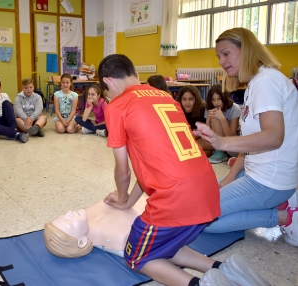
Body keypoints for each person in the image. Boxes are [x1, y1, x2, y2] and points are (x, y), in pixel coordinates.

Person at [95, 54, 270, 286]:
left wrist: (123, 196)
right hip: (207, 191)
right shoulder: (165, 97)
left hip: (176, 199)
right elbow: (155, 164)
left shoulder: (117, 105)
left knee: (136, 257)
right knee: (165, 244)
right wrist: (129, 202)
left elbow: (123, 171)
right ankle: (225, 268)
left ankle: (201, 284)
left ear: (108, 82)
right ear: (135, 74)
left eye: (107, 93)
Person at [193, 28, 298, 248]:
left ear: (247, 50)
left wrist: (222, 142)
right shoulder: (257, 82)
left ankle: (284, 215)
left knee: (201, 220)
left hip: (271, 181)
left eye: (226, 53)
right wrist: (228, 179)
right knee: (210, 195)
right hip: (266, 174)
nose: (221, 61)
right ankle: (282, 202)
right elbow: (251, 143)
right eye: (218, 56)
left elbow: (274, 136)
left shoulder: (265, 82)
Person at [44, 196, 270, 286]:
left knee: (143, 256)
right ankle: (221, 267)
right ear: (81, 242)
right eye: (64, 222)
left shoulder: (90, 219)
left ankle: (201, 282)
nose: (66, 214)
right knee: (154, 250)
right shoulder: (99, 232)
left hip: (167, 214)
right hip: (169, 213)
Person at [198, 84, 241, 162]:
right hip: (216, 141)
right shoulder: (210, 108)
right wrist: (208, 120)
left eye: (219, 98)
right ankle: (219, 152)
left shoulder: (234, 109)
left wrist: (222, 118)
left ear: (224, 97)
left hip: (233, 143)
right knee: (197, 146)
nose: (216, 102)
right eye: (213, 99)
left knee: (216, 117)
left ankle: (221, 152)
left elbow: (230, 136)